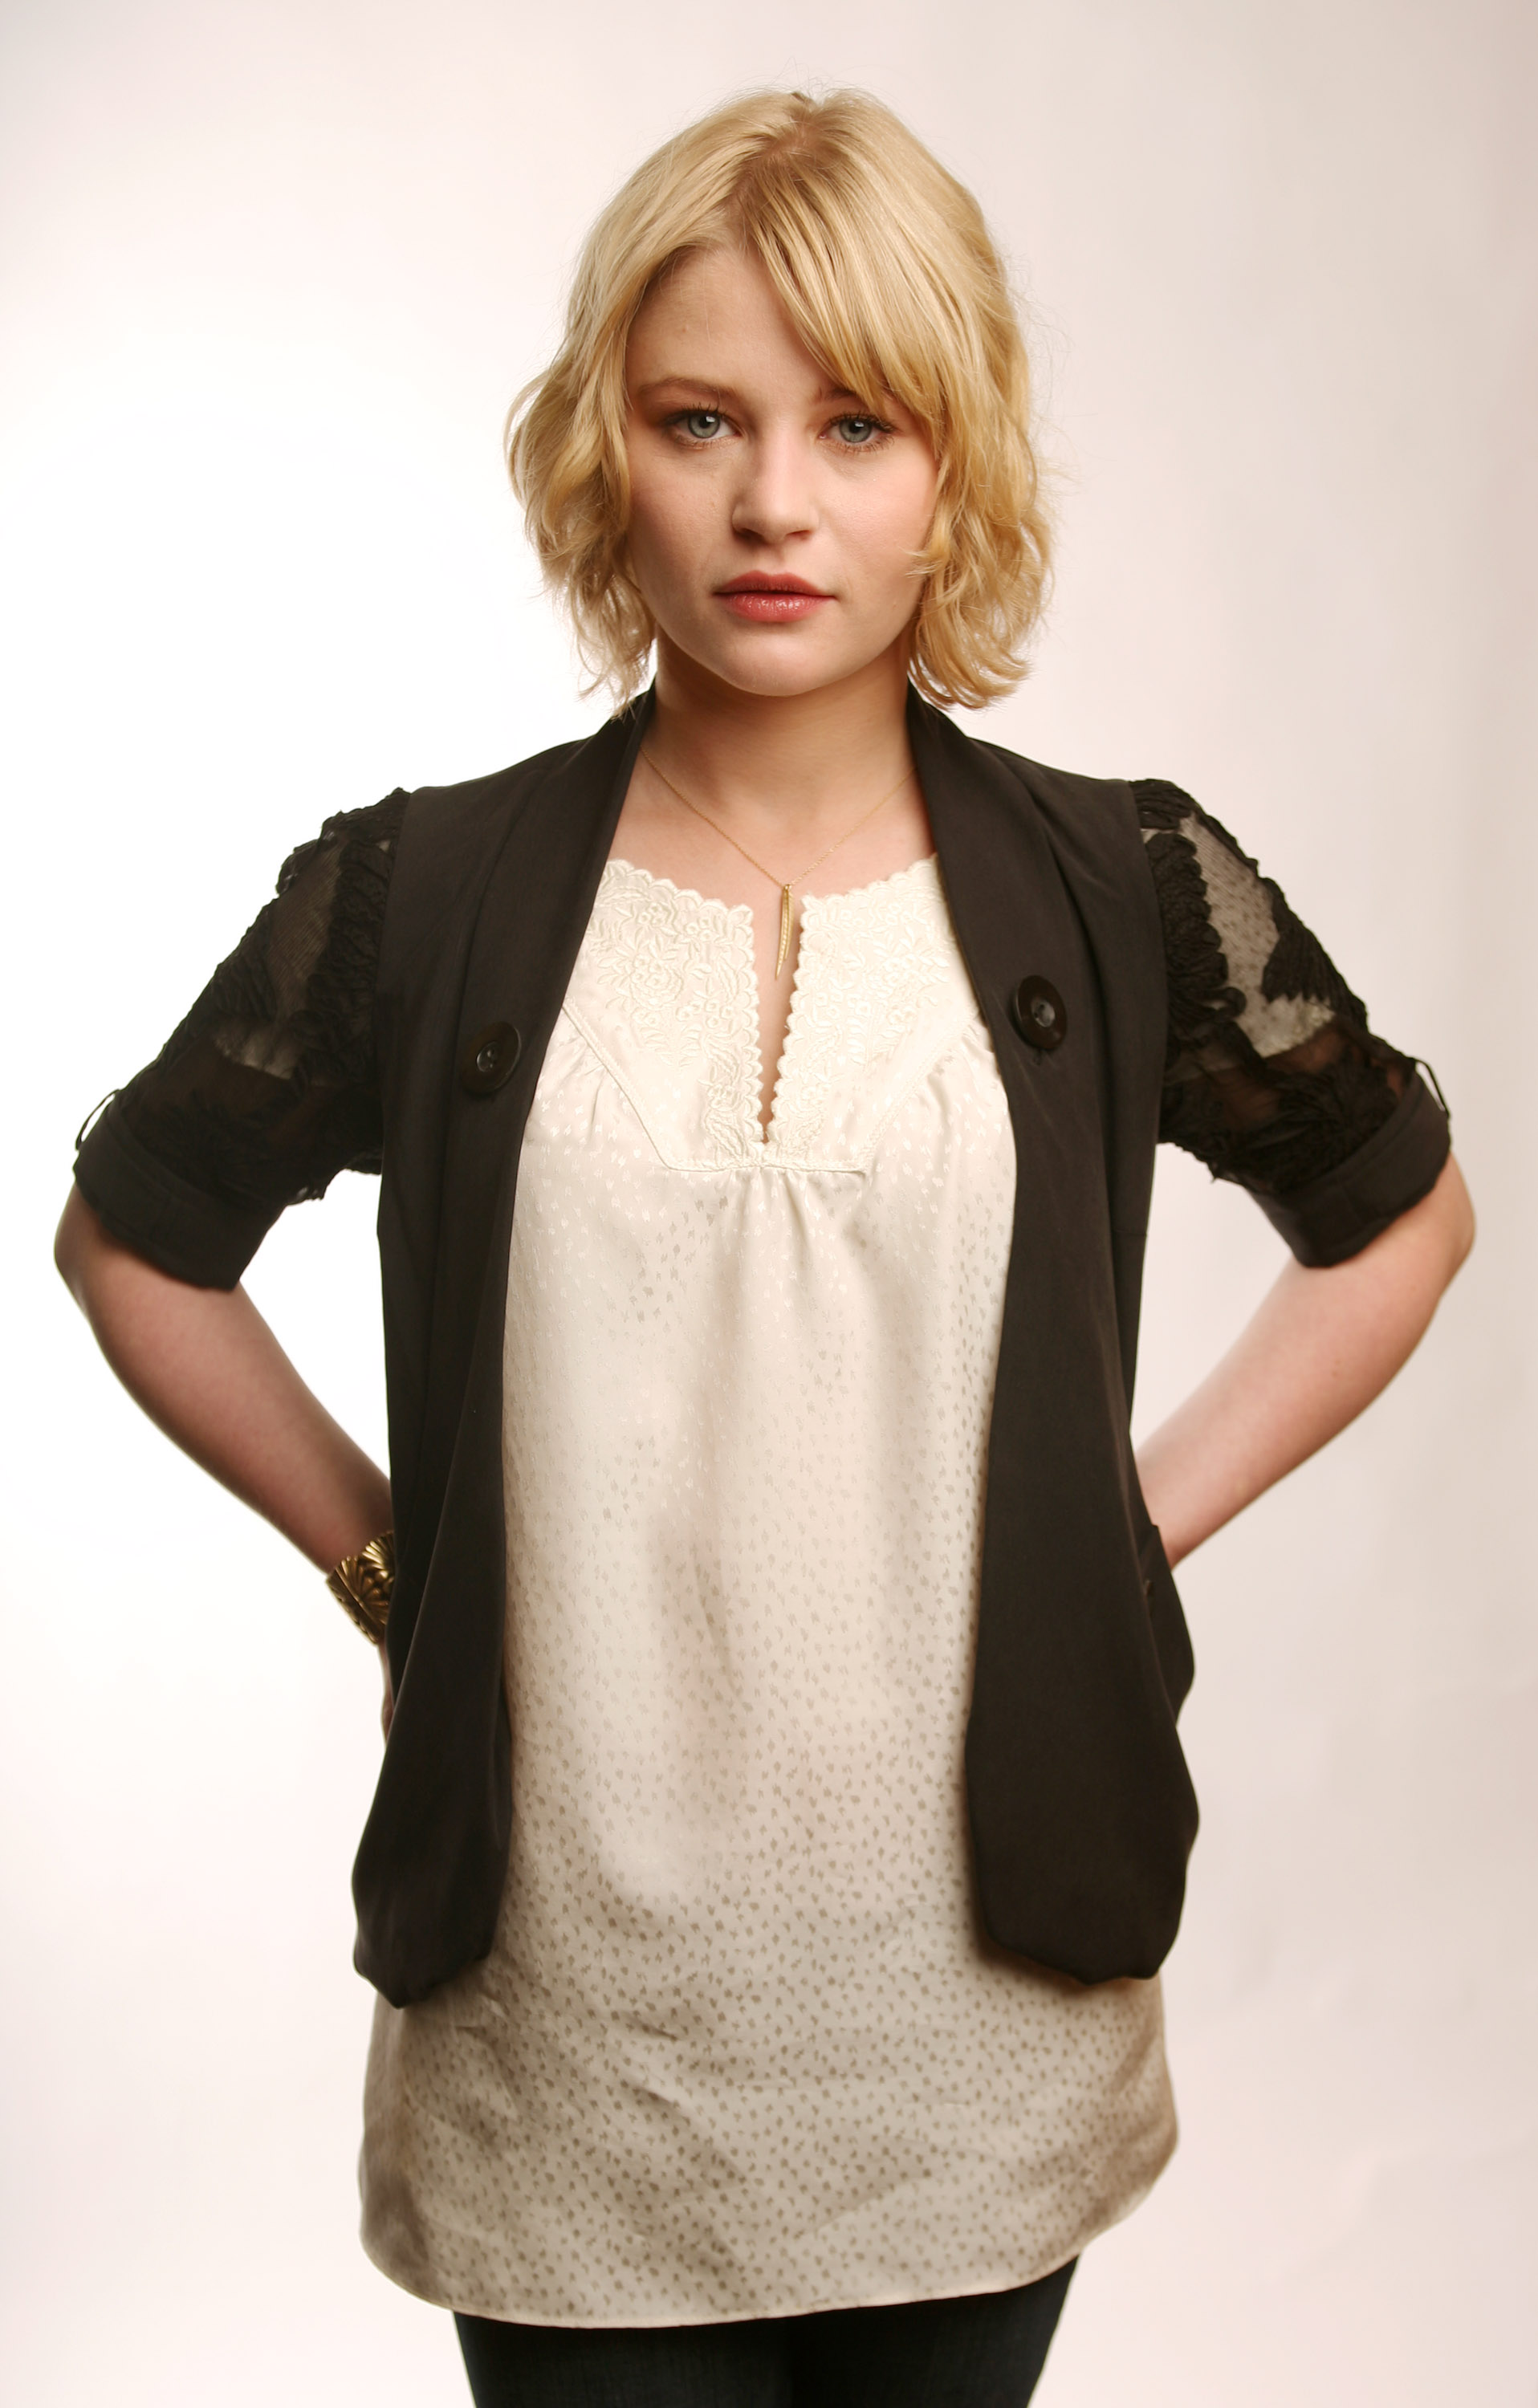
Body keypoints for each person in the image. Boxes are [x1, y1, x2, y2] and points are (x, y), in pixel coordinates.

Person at [55, 86, 1472, 2408]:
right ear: (603, 450)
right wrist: (389, 1567)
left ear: (953, 466)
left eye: (857, 423)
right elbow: (138, 1241)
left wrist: (1125, 1530)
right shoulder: (422, 898)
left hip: (978, 2037)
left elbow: (1398, 1220)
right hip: (566, 2046)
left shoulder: (1118, 889)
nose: (774, 502)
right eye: (699, 418)